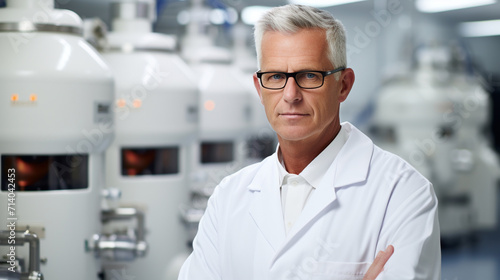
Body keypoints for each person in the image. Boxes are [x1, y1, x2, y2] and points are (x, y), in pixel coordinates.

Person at [179, 4, 440, 280]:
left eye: (309, 76)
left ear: (343, 85)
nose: (291, 95)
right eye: (276, 76)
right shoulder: (228, 197)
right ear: (259, 88)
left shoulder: (403, 194)